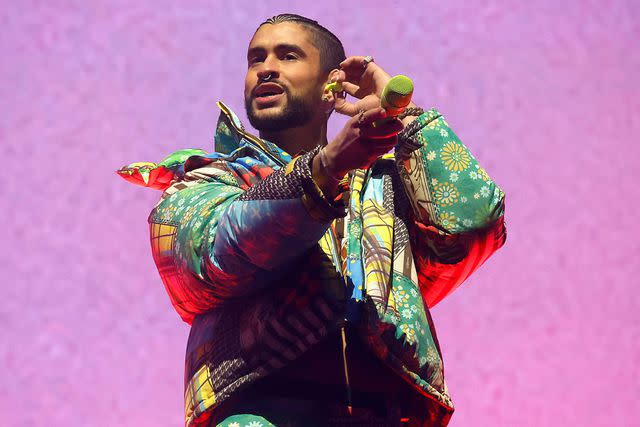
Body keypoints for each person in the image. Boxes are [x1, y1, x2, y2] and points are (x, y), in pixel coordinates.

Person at [120, 13, 506, 427]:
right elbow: (210, 256)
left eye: (288, 56)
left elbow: (470, 225)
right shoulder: (209, 180)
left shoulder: (386, 187)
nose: (266, 68)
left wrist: (408, 119)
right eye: (256, 59)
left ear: (332, 86)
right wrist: (323, 170)